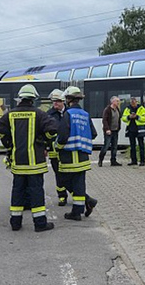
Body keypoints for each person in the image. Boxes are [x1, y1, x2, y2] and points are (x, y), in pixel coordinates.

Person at [0, 84, 58, 232]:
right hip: (35, 164)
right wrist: (44, 141)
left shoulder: (10, 114)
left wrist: (8, 142)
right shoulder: (39, 114)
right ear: (33, 99)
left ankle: (15, 223)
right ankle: (40, 224)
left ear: (20, 99)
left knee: (18, 192)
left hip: (18, 163)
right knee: (36, 193)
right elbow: (53, 129)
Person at [55, 86, 98, 221]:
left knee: (63, 181)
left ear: (68, 99)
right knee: (79, 184)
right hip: (83, 156)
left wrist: (57, 147)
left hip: (69, 156)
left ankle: (85, 204)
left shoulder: (68, 114)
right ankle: (80, 209)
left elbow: (62, 137)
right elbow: (94, 134)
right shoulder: (85, 114)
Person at [46, 89, 69, 206]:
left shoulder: (69, 113)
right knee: (58, 174)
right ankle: (62, 196)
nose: (55, 104)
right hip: (54, 151)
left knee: (69, 174)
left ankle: (75, 193)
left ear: (63, 102)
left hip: (68, 149)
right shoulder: (49, 114)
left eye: (58, 101)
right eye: (54, 101)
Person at [122, 97, 145, 166]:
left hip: (140, 130)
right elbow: (123, 118)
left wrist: (137, 117)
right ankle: (134, 161)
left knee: (141, 146)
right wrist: (129, 117)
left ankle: (142, 161)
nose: (133, 104)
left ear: (137, 102)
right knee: (132, 146)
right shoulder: (127, 109)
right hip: (131, 129)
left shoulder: (142, 108)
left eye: (134, 102)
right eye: (132, 102)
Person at [98, 96, 122, 167]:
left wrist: (118, 128)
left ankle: (113, 161)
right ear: (112, 102)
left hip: (115, 130)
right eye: (117, 101)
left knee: (114, 146)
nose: (118, 102)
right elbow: (104, 120)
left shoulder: (117, 109)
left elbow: (118, 119)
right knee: (106, 145)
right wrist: (107, 129)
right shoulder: (107, 110)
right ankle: (100, 160)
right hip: (109, 131)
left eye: (118, 101)